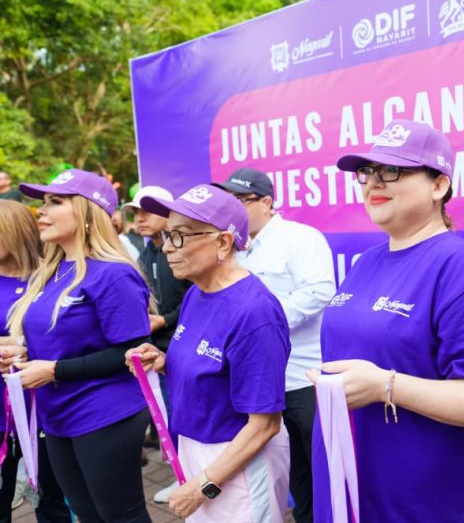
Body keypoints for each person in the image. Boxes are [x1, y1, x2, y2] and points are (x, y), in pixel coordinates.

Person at [308, 120, 464, 522]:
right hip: (349, 493)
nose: (374, 182)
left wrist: (385, 386)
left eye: (392, 170)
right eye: (367, 171)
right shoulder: (366, 262)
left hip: (425, 504)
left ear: (439, 185)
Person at [126, 184, 291, 523]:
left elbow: (264, 425)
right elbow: (211, 368)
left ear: (223, 243)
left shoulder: (254, 311)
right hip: (196, 448)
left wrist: (204, 484)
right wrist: (163, 363)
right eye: (168, 235)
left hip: (238, 460)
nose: (167, 247)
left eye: (180, 236)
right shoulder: (196, 293)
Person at [7, 169, 153, 523]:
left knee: (121, 516)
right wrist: (21, 352)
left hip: (104, 414)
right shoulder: (51, 271)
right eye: (43, 202)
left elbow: (134, 354)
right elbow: (58, 338)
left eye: (55, 202)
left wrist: (54, 370)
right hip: (57, 416)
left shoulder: (113, 273)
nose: (41, 211)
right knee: (87, 516)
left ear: (88, 213)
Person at [214, 167, 335, 523]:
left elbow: (320, 291)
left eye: (240, 200)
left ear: (266, 202)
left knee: (321, 470)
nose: (232, 208)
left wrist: (262, 324)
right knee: (292, 472)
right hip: (262, 385)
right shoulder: (233, 248)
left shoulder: (300, 237)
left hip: (303, 378)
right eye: (228, 201)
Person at [0, 200, 72, 523]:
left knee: (52, 501)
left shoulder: (53, 277)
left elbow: (68, 334)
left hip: (45, 409)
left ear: (15, 232)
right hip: (2, 414)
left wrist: (23, 345)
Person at [123, 185, 192, 503]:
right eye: (135, 212)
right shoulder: (146, 253)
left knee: (183, 415)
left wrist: (163, 320)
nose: (140, 218)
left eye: (147, 211)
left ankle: (193, 478)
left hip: (185, 346)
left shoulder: (181, 251)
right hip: (159, 349)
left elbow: (197, 299)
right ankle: (182, 476)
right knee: (169, 416)